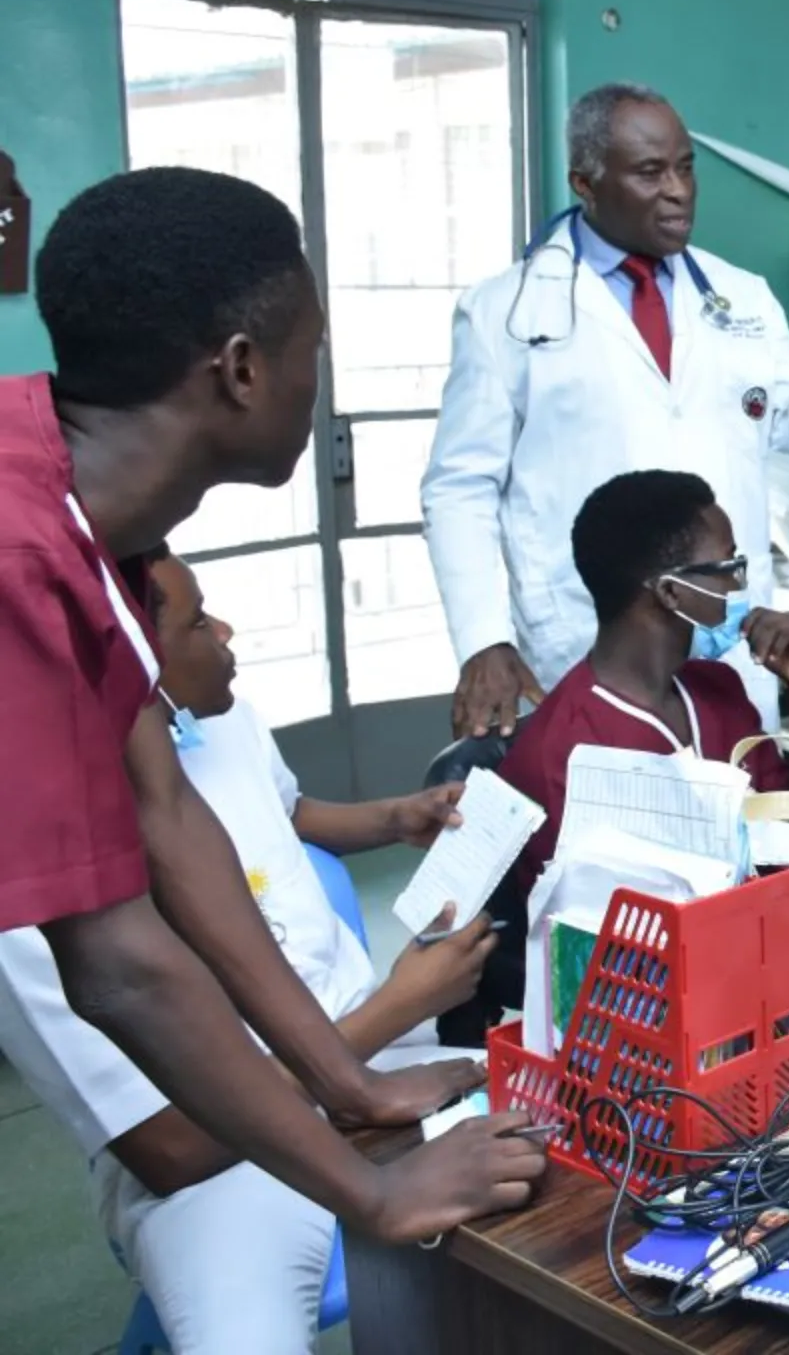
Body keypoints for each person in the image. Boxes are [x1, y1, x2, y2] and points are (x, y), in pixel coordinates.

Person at [3, 167, 536, 1245]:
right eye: (313, 350)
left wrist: (351, 1079)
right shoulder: (19, 557)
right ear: (243, 370)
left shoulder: (90, 520)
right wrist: (373, 1194)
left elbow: (171, 819)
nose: (316, 380)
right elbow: (114, 962)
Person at [0, 554, 494, 1353]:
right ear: (125, 656)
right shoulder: (33, 884)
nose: (225, 631)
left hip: (377, 1043)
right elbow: (172, 1146)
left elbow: (288, 812)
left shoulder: (217, 719)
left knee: (589, 1123)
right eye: (197, 622)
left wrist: (392, 818)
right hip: (220, 1160)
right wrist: (391, 1012)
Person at [424, 82, 789, 739]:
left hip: (725, 628)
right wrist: (483, 640)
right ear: (586, 182)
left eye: (685, 167)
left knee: (740, 809)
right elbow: (460, 489)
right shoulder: (505, 314)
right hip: (582, 634)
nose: (679, 190)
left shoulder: (741, 299)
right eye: (650, 171)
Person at [444, 471, 789, 1040]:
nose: (739, 588)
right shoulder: (563, 753)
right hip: (652, 1033)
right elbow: (601, 960)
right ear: (671, 592)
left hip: (769, 985)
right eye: (728, 568)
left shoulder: (718, 691)